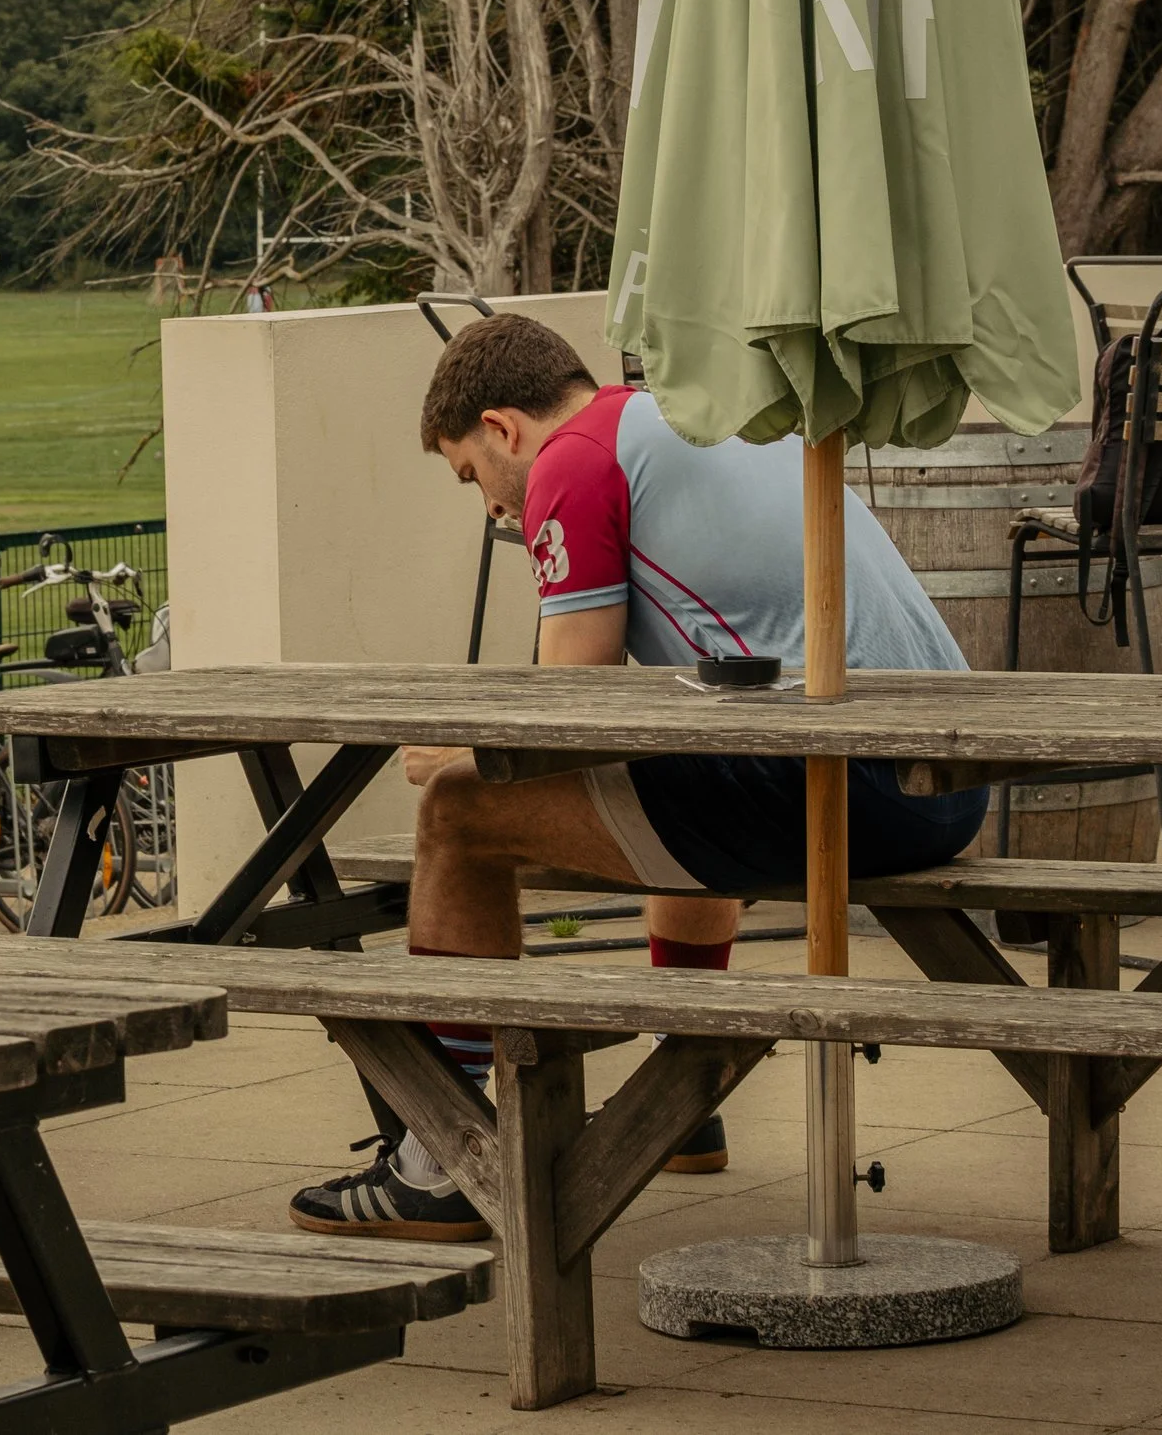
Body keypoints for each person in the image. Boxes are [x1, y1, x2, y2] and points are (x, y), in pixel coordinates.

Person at [288, 314, 987, 1242]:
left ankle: (446, 1159)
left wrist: (459, 755)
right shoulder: (703, 419)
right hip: (951, 782)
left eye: (472, 476)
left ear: (502, 428)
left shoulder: (572, 464)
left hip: (851, 790)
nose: (492, 508)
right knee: (668, 757)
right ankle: (686, 1096)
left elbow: (566, 716)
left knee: (462, 812)